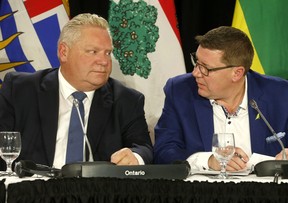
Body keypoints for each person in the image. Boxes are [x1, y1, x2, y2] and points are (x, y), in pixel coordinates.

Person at [0, 13, 153, 170]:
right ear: (64, 52)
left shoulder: (126, 100)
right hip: (31, 189)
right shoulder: (20, 89)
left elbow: (143, 148)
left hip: (96, 191)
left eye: (107, 53)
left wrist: (135, 157)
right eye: (93, 51)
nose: (104, 61)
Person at [154, 26, 288, 171]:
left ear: (237, 73)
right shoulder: (180, 91)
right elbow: (163, 151)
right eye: (196, 62)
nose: (195, 73)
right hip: (202, 191)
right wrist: (208, 161)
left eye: (205, 68)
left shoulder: (280, 94)